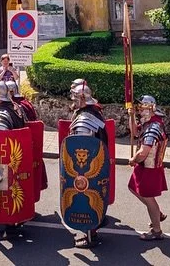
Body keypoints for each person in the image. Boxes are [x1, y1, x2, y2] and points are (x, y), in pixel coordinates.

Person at [68, 78, 108, 248]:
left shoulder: (85, 120)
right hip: (96, 167)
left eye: (76, 98)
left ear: (83, 99)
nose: (74, 101)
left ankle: (91, 236)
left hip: (87, 171)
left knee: (86, 201)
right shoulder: (93, 111)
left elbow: (81, 149)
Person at [0, 80, 28, 239]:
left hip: (6, 163)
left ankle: (10, 228)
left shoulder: (0, 114)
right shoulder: (16, 108)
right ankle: (17, 220)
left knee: (7, 193)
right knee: (15, 192)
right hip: (18, 159)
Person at [128, 95, 168, 241]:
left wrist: (133, 159)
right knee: (133, 188)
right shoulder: (147, 122)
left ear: (150, 108)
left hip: (150, 168)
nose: (139, 110)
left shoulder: (153, 126)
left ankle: (156, 231)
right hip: (144, 167)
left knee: (148, 198)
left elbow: (144, 152)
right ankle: (157, 213)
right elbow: (135, 132)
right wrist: (131, 116)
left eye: (141, 108)